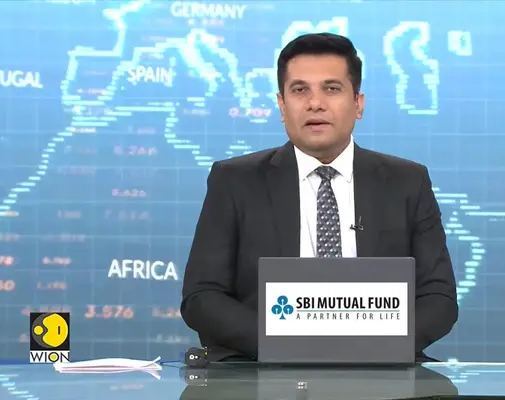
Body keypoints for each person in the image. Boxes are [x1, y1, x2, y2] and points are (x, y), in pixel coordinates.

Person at [181, 32, 458, 362]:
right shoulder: (235, 180)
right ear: (282, 105)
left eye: (331, 89)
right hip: (262, 367)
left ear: (358, 103)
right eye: (300, 90)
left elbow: (438, 298)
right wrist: (288, 345)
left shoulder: (407, 182)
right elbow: (202, 297)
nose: (315, 103)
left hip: (381, 366)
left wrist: (372, 347)